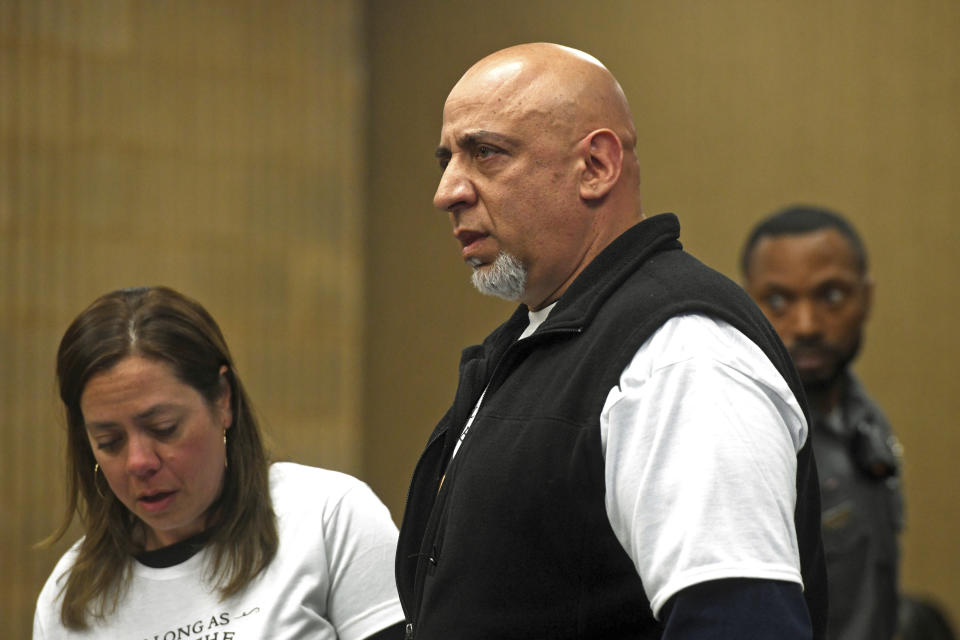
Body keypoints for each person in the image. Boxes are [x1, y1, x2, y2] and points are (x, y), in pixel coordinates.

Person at [396, 43, 827, 639]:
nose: (448, 191)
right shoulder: (542, 338)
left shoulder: (682, 355)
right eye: (447, 159)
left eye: (485, 154)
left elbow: (739, 623)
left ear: (596, 166)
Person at [34, 286, 405, 639]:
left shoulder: (327, 518)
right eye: (109, 441)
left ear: (223, 399)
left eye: (164, 428)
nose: (139, 462)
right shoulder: (70, 595)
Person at [741, 205, 904, 640]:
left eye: (831, 296)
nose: (807, 325)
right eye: (778, 301)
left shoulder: (865, 416)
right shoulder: (747, 441)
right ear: (746, 303)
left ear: (866, 297)